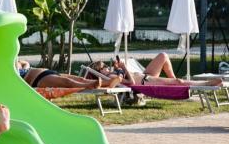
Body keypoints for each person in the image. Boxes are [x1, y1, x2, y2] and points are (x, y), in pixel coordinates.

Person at [90, 53, 223, 87]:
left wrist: (117, 67)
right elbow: (131, 83)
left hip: (144, 75)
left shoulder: (113, 72)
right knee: (178, 81)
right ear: (100, 72)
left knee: (163, 56)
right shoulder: (111, 79)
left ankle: (175, 82)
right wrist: (124, 68)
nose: (106, 67)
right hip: (145, 81)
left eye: (105, 66)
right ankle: (206, 84)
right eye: (104, 67)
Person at [23, 67, 121, 89]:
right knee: (67, 82)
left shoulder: (15, 62)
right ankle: (90, 85)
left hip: (46, 72)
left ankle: (108, 82)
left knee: (81, 79)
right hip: (37, 79)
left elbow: (25, 63)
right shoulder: (10, 73)